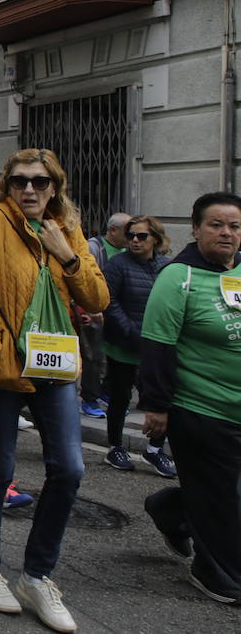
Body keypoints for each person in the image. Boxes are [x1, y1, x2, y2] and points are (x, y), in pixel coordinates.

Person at [0, 149, 108, 633]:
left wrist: (66, 254)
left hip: (55, 366)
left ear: (55, 186)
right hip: (0, 368)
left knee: (69, 467)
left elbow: (97, 298)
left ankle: (37, 576)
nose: (29, 190)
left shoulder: (66, 229)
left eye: (40, 182)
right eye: (19, 181)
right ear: (7, 184)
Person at [139, 192, 241, 605]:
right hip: (200, 408)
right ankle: (214, 570)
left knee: (219, 490)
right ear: (196, 229)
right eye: (216, 225)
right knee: (220, 493)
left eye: (234, 226)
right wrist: (157, 406)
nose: (226, 233)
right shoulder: (177, 276)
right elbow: (157, 344)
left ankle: (170, 509)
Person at [101, 215, 174, 476]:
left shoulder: (168, 266)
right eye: (130, 235)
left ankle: (155, 449)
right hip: (124, 344)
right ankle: (115, 447)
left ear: (155, 238)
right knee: (120, 398)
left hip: (157, 348)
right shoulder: (117, 264)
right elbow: (109, 301)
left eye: (141, 236)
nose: (134, 240)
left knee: (161, 399)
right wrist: (131, 332)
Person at [79, 212, 131, 418]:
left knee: (114, 356)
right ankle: (90, 399)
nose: (132, 237)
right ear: (113, 230)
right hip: (94, 311)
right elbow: (84, 280)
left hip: (117, 311)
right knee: (93, 356)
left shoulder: (127, 250)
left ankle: (107, 393)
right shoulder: (93, 248)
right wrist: (87, 309)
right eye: (128, 232)